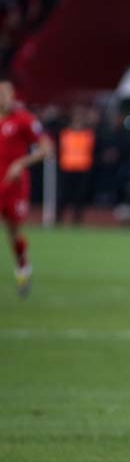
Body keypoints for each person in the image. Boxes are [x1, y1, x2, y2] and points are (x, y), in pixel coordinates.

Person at [0, 75, 53, 297]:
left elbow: (46, 148)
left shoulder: (23, 120)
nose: (2, 97)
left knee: (13, 232)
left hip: (13, 185)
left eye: (5, 92)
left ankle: (23, 266)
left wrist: (20, 163)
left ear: (13, 95)